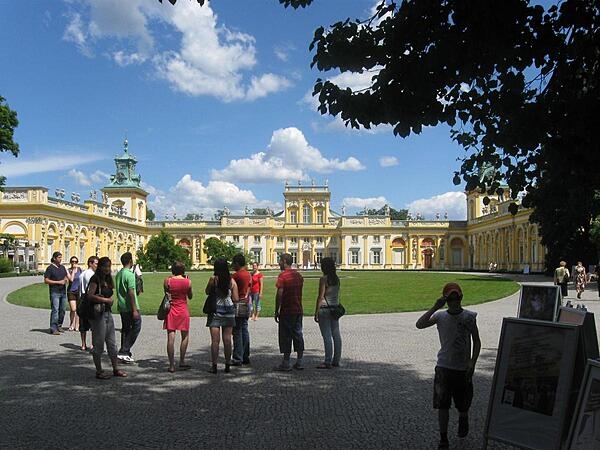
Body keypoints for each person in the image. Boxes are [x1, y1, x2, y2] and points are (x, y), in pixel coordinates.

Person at [415, 282, 481, 450]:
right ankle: (443, 438)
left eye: (456, 298)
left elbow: (476, 341)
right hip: (444, 367)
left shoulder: (469, 317)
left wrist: (473, 362)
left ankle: (463, 417)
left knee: (464, 402)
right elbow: (419, 324)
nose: (454, 301)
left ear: (461, 298)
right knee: (442, 405)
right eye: (450, 299)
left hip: (462, 368)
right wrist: (435, 307)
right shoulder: (440, 316)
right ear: (445, 300)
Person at [87, 256, 127, 380]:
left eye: (108, 266)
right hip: (98, 314)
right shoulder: (95, 279)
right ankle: (99, 371)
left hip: (107, 313)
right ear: (100, 267)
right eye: (105, 266)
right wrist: (105, 300)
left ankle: (115, 368)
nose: (107, 269)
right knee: (98, 344)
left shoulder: (108, 279)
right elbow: (89, 296)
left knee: (112, 343)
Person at [205, 258, 239, 374]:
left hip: (215, 309)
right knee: (227, 339)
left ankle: (214, 366)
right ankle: (227, 364)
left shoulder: (213, 279)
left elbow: (207, 292)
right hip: (228, 311)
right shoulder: (231, 281)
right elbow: (236, 298)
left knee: (215, 341)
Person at [274, 253, 305, 371]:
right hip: (298, 309)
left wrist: (277, 309)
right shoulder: (298, 276)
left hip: (287, 310)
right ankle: (300, 361)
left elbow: (279, 294)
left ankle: (286, 363)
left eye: (280, 261)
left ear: (285, 262)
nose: (279, 263)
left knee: (286, 336)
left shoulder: (282, 276)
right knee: (298, 334)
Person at [163, 261, 193, 373]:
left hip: (171, 309)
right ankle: (182, 361)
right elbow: (190, 296)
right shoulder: (188, 282)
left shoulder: (168, 281)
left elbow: (166, 294)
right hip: (183, 309)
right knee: (184, 336)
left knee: (171, 337)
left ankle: (171, 365)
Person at [313, 257, 342, 369]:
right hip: (335, 308)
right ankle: (336, 360)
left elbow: (320, 297)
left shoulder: (324, 279)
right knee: (336, 335)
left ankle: (327, 361)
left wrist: (316, 312)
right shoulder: (337, 279)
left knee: (327, 336)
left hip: (325, 309)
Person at [115, 252, 142, 363]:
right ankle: (124, 351)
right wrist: (134, 309)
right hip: (130, 307)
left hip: (121, 306)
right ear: (130, 261)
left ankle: (125, 354)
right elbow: (131, 292)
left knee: (126, 329)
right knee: (136, 327)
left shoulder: (119, 274)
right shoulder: (129, 275)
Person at [232, 253, 252, 366]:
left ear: (237, 263)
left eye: (234, 263)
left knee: (237, 331)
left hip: (238, 303)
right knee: (244, 329)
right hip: (246, 302)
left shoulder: (236, 276)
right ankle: (245, 355)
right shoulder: (248, 275)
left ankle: (237, 357)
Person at [44, 251, 68, 335]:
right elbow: (46, 280)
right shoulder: (50, 268)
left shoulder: (62, 267)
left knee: (63, 310)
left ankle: (59, 325)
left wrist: (65, 280)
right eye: (59, 257)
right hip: (55, 292)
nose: (60, 259)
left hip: (63, 292)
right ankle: (53, 328)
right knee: (55, 310)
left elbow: (65, 276)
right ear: (54, 258)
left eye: (61, 257)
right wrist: (58, 282)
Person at [78, 255, 98, 351]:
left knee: (83, 323)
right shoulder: (91, 274)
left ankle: (83, 344)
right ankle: (93, 344)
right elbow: (91, 289)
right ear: (90, 263)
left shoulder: (82, 274)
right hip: (89, 299)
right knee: (93, 323)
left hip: (82, 298)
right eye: (96, 264)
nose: (97, 266)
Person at [66, 256, 82, 332]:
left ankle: (77, 325)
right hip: (71, 291)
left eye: (75, 262)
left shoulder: (80, 270)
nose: (74, 263)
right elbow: (71, 280)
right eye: (72, 261)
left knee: (78, 309)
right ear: (70, 262)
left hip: (78, 291)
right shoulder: (68, 270)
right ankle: (71, 323)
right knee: (73, 309)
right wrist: (73, 272)